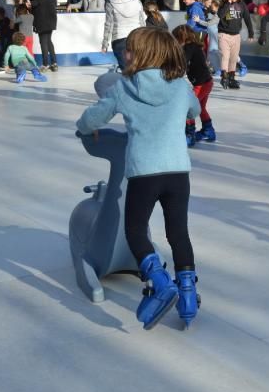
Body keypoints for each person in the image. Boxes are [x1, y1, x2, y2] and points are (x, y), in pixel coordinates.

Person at [76, 27, 202, 330]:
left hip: (144, 173)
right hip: (177, 172)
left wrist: (83, 127)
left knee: (135, 230)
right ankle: (187, 295)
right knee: (178, 233)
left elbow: (93, 117)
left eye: (129, 50)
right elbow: (194, 111)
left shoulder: (124, 87)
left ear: (141, 54)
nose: (125, 54)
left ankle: (160, 282)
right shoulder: (180, 86)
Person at [173, 24, 215, 146]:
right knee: (201, 108)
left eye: (176, 38)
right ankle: (208, 131)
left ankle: (190, 135)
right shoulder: (194, 46)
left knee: (188, 108)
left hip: (201, 84)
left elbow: (182, 63)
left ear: (182, 37)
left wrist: (175, 74)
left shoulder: (189, 47)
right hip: (206, 82)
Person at [102, 0, 147, 70]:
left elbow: (108, 24)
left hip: (119, 38)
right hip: (137, 38)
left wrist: (105, 44)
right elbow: (142, 22)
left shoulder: (111, 3)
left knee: (126, 71)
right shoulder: (137, 1)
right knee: (138, 69)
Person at [20, 0, 58, 71]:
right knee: (48, 41)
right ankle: (54, 63)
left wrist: (32, 3)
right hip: (49, 17)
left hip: (43, 18)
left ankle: (45, 64)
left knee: (43, 41)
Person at [217, 0, 249, 89]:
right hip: (224, 34)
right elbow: (220, 15)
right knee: (225, 56)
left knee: (234, 58)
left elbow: (247, 18)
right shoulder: (223, 4)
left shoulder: (241, 5)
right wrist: (228, 4)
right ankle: (224, 77)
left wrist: (251, 32)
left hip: (236, 36)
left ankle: (231, 78)